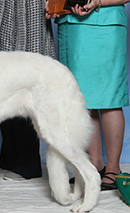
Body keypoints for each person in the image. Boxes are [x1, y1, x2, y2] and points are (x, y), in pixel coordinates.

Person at [46, 0, 130, 190]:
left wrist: (98, 1)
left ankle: (114, 168)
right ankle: (94, 164)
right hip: (71, 24)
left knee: (110, 98)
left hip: (104, 24)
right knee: (82, 100)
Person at [0, 0, 56, 180]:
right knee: (3, 88)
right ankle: (9, 156)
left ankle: (28, 163)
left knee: (25, 86)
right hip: (4, 10)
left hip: (30, 9)